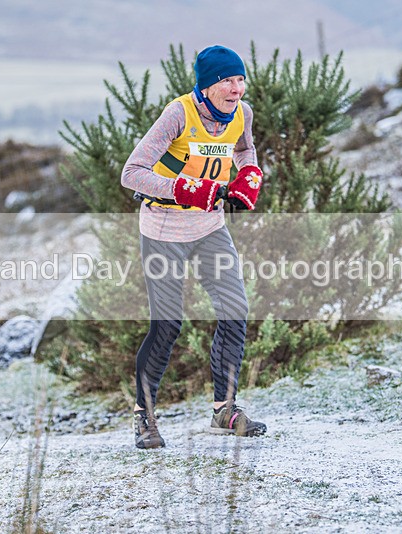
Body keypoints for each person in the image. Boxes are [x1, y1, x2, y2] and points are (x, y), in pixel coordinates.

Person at [121, 45, 267, 449]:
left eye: (240, 79)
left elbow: (243, 148)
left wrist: (249, 174)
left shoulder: (243, 113)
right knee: (167, 325)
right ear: (207, 85)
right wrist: (183, 188)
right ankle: (144, 417)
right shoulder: (179, 114)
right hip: (164, 230)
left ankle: (225, 409)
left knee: (235, 308)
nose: (236, 89)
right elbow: (131, 174)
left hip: (209, 228)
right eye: (227, 80)